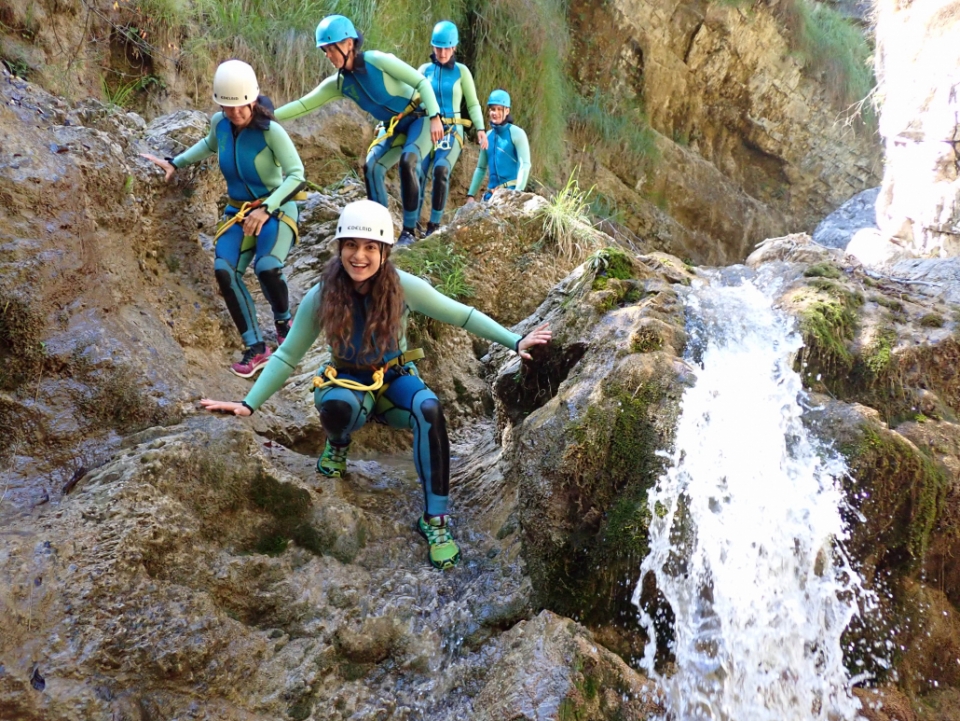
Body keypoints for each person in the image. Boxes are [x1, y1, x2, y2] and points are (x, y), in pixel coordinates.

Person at [200, 199, 552, 570]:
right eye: (351, 245)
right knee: (339, 408)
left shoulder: (403, 288)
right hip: (347, 381)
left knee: (429, 409)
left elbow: (461, 315)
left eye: (370, 247)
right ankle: (337, 445)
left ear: (384, 251)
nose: (359, 256)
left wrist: (514, 340)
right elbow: (287, 356)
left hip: (394, 381)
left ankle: (435, 520)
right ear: (340, 247)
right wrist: (248, 403)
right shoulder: (323, 295)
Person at [141, 60, 306, 378]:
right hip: (237, 212)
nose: (234, 114)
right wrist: (174, 161)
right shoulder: (220, 123)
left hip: (276, 208)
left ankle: (284, 323)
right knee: (224, 270)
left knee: (266, 266)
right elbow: (208, 145)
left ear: (253, 100)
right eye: (227, 107)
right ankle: (256, 348)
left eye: (240, 107)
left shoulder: (271, 131)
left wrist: (267, 208)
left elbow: (297, 176)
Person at [274, 15, 443, 246]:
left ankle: (409, 232)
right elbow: (303, 104)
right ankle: (379, 229)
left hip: (420, 118)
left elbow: (421, 82)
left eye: (331, 49)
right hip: (393, 128)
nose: (328, 56)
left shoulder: (377, 61)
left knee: (408, 161)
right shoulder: (339, 84)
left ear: (349, 44)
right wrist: (266, 114)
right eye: (324, 51)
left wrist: (435, 117)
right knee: (371, 167)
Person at [414, 20, 487, 238]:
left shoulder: (461, 72)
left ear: (454, 47)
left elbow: (472, 103)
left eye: (447, 48)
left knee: (441, 170)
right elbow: (413, 99)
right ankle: (412, 223)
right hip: (427, 127)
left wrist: (481, 128)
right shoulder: (423, 70)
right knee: (418, 172)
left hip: (452, 130)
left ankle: (434, 225)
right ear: (432, 47)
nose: (443, 52)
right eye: (438, 47)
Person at [466, 89, 531, 203]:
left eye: (499, 109)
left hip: (510, 194)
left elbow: (524, 164)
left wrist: (517, 193)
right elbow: (481, 168)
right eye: (492, 109)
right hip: (490, 196)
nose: (495, 113)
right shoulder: (487, 136)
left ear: (507, 111)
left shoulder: (517, 133)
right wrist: (471, 195)